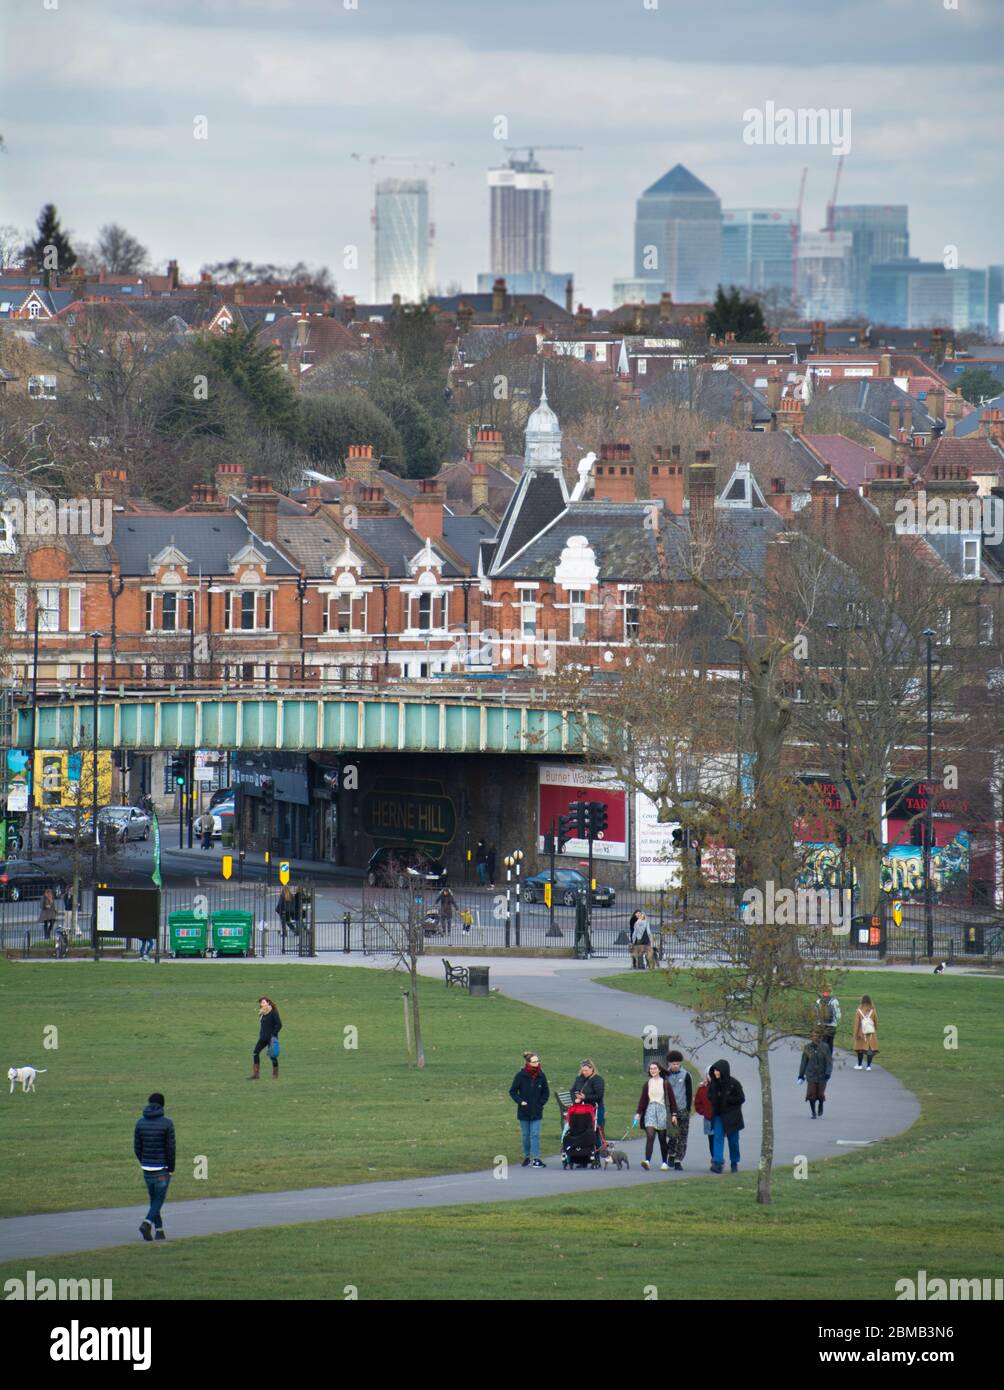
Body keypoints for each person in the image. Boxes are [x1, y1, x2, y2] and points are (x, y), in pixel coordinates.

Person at [134, 1091, 176, 1241]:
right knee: (159, 1199)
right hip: (162, 1168)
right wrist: (171, 1168)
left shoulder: (140, 1123)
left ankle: (159, 1231)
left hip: (147, 1168)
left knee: (154, 1199)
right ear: (162, 1105)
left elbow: (137, 1148)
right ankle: (146, 1223)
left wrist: (144, 1161)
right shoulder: (167, 1123)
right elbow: (170, 1149)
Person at [509, 1051, 549, 1168]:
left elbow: (546, 1092)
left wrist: (541, 1103)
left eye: (538, 1061)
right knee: (526, 1135)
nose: (537, 1063)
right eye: (534, 1061)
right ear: (528, 1063)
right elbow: (512, 1091)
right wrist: (520, 1101)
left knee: (535, 1134)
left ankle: (536, 1158)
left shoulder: (541, 1075)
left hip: (536, 1110)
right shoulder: (520, 1076)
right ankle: (527, 1157)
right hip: (524, 1111)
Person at [708, 1059, 745, 1173]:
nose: (715, 1073)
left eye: (717, 1071)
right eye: (714, 1071)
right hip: (718, 1115)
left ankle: (734, 1162)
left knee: (733, 1141)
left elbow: (741, 1098)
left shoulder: (734, 1083)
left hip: (732, 1116)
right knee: (717, 1138)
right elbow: (709, 1095)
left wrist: (727, 1099)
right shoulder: (713, 1084)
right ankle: (717, 1163)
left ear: (723, 1071)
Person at [633, 1061, 671, 1170]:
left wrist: (673, 1114)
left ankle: (664, 1162)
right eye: (651, 1069)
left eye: (655, 1068)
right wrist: (638, 1114)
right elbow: (643, 1100)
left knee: (662, 1138)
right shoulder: (647, 1084)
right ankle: (647, 1161)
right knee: (650, 1136)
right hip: (650, 1110)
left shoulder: (665, 1083)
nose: (653, 1070)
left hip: (662, 1110)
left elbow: (672, 1100)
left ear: (659, 1070)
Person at [665, 1050, 693, 1170]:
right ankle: (671, 1154)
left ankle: (678, 1160)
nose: (675, 1066)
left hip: (682, 1109)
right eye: (673, 1064)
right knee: (672, 1135)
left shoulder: (686, 1075)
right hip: (670, 1110)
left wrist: (687, 1108)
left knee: (683, 1136)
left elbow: (689, 1092)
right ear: (669, 1064)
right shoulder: (665, 1075)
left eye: (677, 1064)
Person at [797, 1031, 833, 1118]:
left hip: (822, 1074)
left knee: (820, 1094)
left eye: (816, 1036)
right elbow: (804, 1062)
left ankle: (821, 1104)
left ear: (820, 1037)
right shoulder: (808, 1047)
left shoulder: (825, 1047)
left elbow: (829, 1061)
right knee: (811, 1093)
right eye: (813, 1036)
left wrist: (828, 1072)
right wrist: (801, 1075)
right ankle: (813, 1112)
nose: (814, 1038)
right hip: (811, 1074)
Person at [571, 1058, 605, 1138]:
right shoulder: (579, 1078)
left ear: (592, 1069)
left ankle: (598, 1146)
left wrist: (585, 1097)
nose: (584, 1072)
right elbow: (572, 1090)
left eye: (586, 1070)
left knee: (596, 1128)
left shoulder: (598, 1080)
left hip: (595, 1108)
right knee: (581, 1128)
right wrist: (575, 1098)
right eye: (583, 1070)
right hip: (582, 1108)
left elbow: (599, 1095)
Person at [249, 996, 282, 1080]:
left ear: (268, 1003)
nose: (262, 1004)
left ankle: (275, 1075)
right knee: (255, 1053)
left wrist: (273, 1035)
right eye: (261, 1003)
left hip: (271, 1039)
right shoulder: (262, 1013)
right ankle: (256, 1075)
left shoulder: (273, 1012)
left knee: (273, 1056)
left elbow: (279, 1025)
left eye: (263, 1002)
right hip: (262, 1038)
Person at [853, 995, 880, 1070]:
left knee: (860, 1049)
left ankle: (859, 1065)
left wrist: (855, 1034)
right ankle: (868, 1066)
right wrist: (875, 1029)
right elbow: (875, 1021)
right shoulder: (873, 1010)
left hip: (861, 1032)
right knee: (870, 1049)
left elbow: (857, 1023)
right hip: (871, 1032)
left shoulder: (859, 1010)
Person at [694, 1072, 715, 1160]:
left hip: (720, 1118)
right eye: (709, 1074)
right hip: (708, 1118)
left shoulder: (721, 1086)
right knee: (711, 1140)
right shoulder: (702, 1088)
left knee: (718, 1140)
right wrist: (704, 1112)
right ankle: (714, 1159)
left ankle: (718, 1159)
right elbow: (697, 1103)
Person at [815, 986, 841, 1054]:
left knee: (821, 1041)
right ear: (830, 992)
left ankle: (821, 1055)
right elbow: (838, 1015)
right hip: (832, 1025)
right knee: (830, 1042)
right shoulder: (834, 1001)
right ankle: (828, 1056)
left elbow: (816, 1013)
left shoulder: (818, 1001)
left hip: (820, 1024)